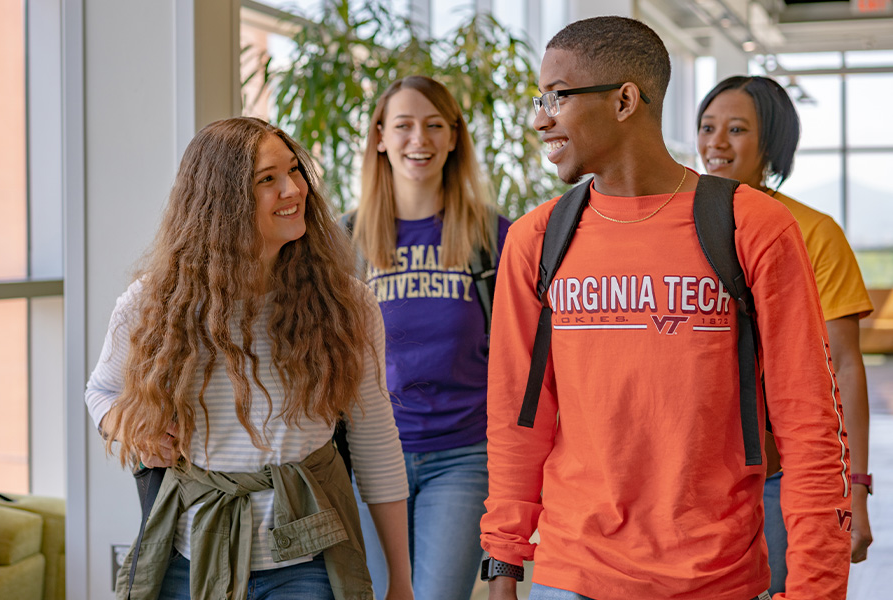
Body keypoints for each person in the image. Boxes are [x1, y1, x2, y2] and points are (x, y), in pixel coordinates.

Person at [480, 16, 852, 600]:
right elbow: (517, 417)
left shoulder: (752, 227)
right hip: (572, 571)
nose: (539, 117)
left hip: (714, 577)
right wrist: (503, 558)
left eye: (557, 96)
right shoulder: (537, 239)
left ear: (625, 99)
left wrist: (817, 588)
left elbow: (809, 421)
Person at [84, 117, 413, 600]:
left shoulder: (348, 305)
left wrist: (401, 581)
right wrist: (133, 429)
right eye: (267, 179)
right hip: (188, 558)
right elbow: (101, 392)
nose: (293, 189)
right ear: (221, 203)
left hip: (306, 561)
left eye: (295, 170)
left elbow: (375, 437)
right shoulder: (149, 304)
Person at [697, 75, 874, 595]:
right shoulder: (681, 223)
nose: (716, 143)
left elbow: (843, 364)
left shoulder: (813, 233)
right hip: (697, 472)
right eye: (707, 128)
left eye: (736, 129)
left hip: (782, 473)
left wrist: (855, 490)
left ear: (771, 144)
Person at [346, 75, 511, 600]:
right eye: (404, 125)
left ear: (454, 137)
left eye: (435, 125)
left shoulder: (493, 237)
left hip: (462, 454)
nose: (420, 139)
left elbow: (524, 354)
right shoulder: (343, 241)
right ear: (380, 138)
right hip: (369, 455)